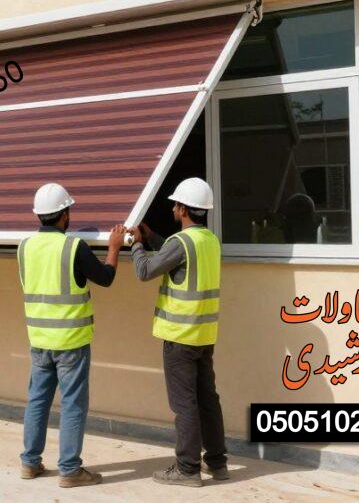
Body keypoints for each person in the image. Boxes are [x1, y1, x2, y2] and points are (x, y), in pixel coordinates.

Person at [18, 182, 127, 488]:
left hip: (39, 340)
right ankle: (69, 470)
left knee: (37, 401)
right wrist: (115, 247)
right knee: (72, 405)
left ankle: (29, 463)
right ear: (64, 215)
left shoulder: (24, 247)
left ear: (40, 215)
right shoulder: (73, 247)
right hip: (71, 343)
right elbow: (105, 278)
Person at [130, 178, 227, 488]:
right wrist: (154, 236)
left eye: (175, 204)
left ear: (184, 209)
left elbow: (145, 270)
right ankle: (217, 462)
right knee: (208, 400)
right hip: (203, 335)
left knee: (184, 404)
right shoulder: (209, 240)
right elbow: (177, 258)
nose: (172, 208)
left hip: (179, 337)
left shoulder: (180, 243)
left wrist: (136, 244)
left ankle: (187, 469)